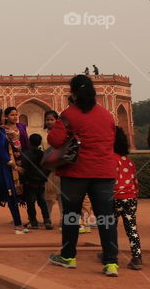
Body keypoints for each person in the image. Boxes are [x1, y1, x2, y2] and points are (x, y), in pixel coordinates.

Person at [47, 75, 119, 276]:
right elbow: (112, 139)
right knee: (106, 217)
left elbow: (54, 140)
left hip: (76, 173)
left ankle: (68, 257)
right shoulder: (106, 115)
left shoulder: (69, 115)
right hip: (104, 172)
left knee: (71, 215)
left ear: (73, 93)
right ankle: (111, 262)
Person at [112, 126, 142, 270]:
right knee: (132, 228)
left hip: (115, 197)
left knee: (109, 227)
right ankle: (137, 257)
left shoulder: (111, 159)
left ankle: (111, 255)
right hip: (130, 197)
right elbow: (135, 182)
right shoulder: (129, 161)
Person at [21, 134, 51, 229]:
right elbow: (48, 168)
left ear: (29, 142)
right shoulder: (43, 154)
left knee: (30, 203)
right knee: (42, 202)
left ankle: (33, 222)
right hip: (41, 182)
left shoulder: (26, 154)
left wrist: (22, 181)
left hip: (30, 182)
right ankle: (47, 221)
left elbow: (23, 170)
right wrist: (44, 176)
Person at [43, 110, 63, 227]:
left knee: (61, 195)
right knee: (48, 195)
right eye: (47, 120)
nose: (49, 122)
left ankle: (62, 218)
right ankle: (48, 218)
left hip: (59, 168)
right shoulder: (42, 134)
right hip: (47, 168)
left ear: (57, 120)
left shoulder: (61, 134)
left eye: (52, 119)